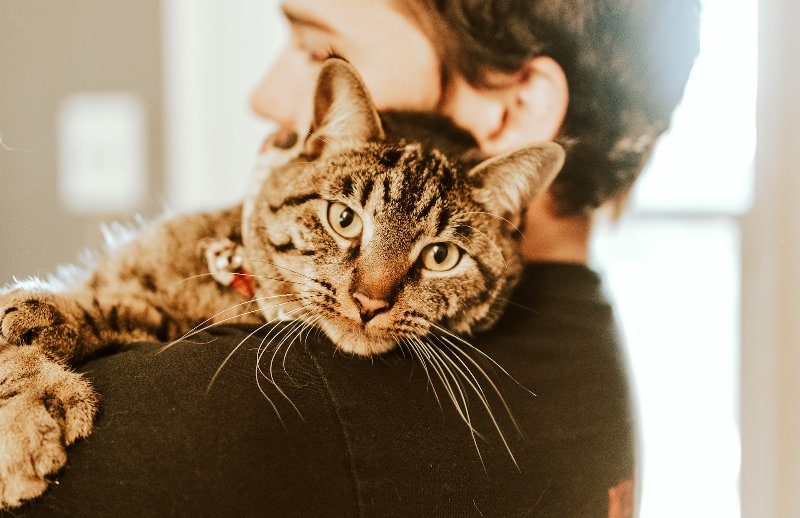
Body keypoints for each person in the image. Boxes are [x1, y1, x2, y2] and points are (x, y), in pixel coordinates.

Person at [16, 1, 699, 516]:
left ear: (516, 107)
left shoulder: (236, 409)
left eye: (320, 50)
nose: (265, 98)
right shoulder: (580, 340)